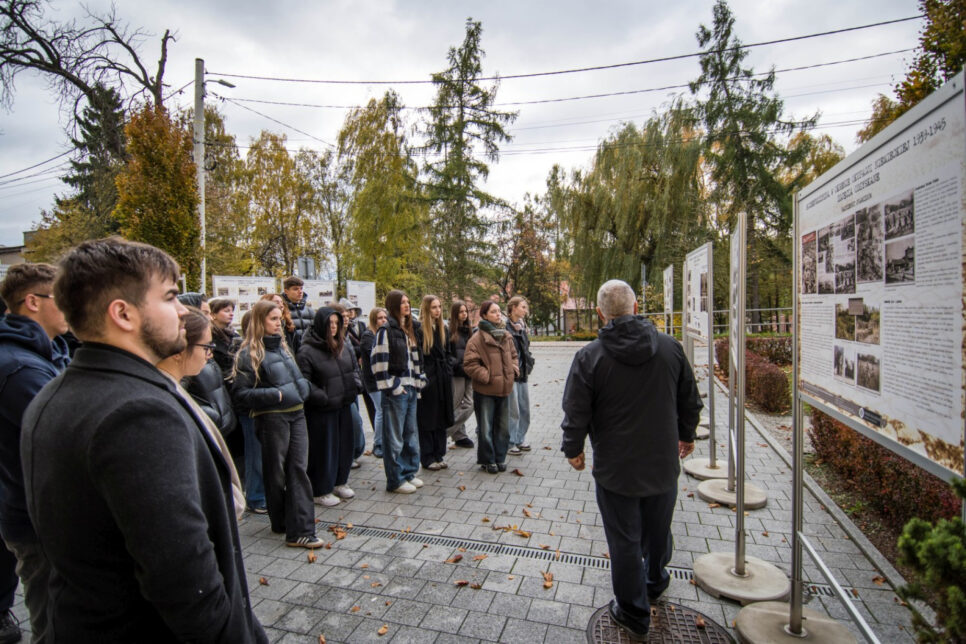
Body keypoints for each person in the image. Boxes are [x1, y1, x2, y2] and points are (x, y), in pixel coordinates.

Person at [20, 237, 266, 642]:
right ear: (123, 313)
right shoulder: (138, 413)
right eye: (170, 297)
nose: (183, 310)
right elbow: (185, 580)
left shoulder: (57, 392)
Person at [560, 279, 701, 640]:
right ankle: (655, 581)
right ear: (636, 308)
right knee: (658, 528)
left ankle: (633, 613)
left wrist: (573, 448)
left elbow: (576, 409)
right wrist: (687, 434)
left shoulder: (589, 357)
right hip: (662, 463)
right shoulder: (670, 348)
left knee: (624, 540)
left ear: (600, 313)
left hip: (616, 469)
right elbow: (689, 398)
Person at [0, 263, 71, 644]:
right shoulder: (19, 367)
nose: (71, 304)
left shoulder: (48, 350)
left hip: (47, 511)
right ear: (32, 301)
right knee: (53, 619)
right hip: (37, 519)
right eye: (62, 297)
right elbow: (64, 436)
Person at [233, 300, 321, 549]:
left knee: (297, 470)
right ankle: (281, 521)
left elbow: (295, 378)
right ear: (260, 321)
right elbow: (240, 395)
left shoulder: (282, 347)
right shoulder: (248, 354)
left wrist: (304, 389)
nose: (278, 323)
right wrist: (275, 395)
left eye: (279, 318)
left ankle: (300, 530)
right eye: (273, 319)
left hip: (297, 414)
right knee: (275, 473)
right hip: (272, 418)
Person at [158, 307, 246, 521]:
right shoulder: (165, 402)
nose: (210, 354)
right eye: (207, 347)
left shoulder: (171, 388)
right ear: (180, 348)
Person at [297, 307, 361, 507]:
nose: (333, 327)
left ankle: (339, 481)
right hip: (322, 410)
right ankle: (320, 489)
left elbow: (353, 368)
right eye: (329, 323)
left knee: (344, 446)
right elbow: (304, 383)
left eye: (336, 323)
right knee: (324, 450)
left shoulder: (342, 345)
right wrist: (323, 397)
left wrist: (356, 385)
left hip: (343, 404)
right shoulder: (307, 350)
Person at [211, 298, 266, 514]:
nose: (230, 313)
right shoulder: (222, 343)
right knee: (252, 452)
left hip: (239, 404)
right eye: (225, 310)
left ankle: (249, 490)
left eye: (232, 310)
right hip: (236, 405)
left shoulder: (233, 338)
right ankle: (254, 495)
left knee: (249, 451)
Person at [371, 290, 425, 493]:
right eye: (402, 302)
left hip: (411, 388)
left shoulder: (409, 330)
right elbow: (378, 363)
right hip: (397, 391)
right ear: (393, 305)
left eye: (408, 302)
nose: (407, 305)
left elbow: (416, 360)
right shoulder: (385, 331)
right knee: (394, 438)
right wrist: (394, 386)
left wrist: (420, 380)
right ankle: (395, 480)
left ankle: (409, 473)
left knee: (410, 435)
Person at [463, 300, 518, 474]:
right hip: (485, 390)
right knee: (485, 428)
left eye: (499, 311)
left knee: (503, 427)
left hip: (504, 389)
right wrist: (487, 376)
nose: (498, 314)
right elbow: (470, 364)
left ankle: (500, 457)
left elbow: (514, 356)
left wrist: (513, 370)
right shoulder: (476, 338)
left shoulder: (505, 335)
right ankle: (487, 460)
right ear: (484, 315)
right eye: (493, 311)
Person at [415, 295, 454, 470]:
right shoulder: (420, 330)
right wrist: (427, 376)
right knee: (428, 419)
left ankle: (439, 453)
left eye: (439, 307)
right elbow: (419, 357)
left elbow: (449, 353)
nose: (437, 310)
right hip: (429, 379)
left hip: (443, 378)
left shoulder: (443, 328)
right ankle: (428, 456)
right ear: (426, 309)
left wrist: (448, 370)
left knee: (441, 418)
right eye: (433, 307)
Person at [506, 296, 535, 454]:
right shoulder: (505, 328)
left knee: (524, 409)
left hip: (523, 374)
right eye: (523, 307)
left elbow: (526, 350)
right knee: (513, 411)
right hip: (512, 375)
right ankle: (511, 442)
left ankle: (520, 438)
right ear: (513, 308)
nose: (526, 310)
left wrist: (529, 363)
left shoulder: (522, 327)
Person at [445, 300, 475, 448]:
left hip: (469, 371)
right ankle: (459, 436)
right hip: (457, 372)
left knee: (470, 404)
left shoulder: (469, 330)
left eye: (465, 311)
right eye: (461, 312)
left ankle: (444, 432)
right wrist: (456, 363)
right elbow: (447, 354)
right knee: (456, 404)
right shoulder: (449, 330)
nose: (464, 314)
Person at [359, 307, 387, 458]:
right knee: (380, 410)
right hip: (372, 380)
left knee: (383, 410)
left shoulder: (382, 334)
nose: (383, 320)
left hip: (382, 379)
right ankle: (378, 443)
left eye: (385, 317)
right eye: (380, 318)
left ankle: (383, 440)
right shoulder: (368, 336)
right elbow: (375, 356)